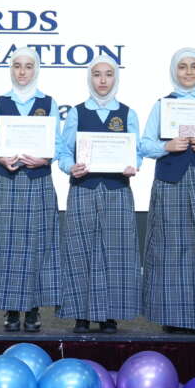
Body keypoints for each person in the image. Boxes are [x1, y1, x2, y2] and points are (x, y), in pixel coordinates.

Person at [139, 48, 195, 334]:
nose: (188, 72)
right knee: (170, 250)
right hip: (171, 183)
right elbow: (144, 144)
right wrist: (166, 146)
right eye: (182, 67)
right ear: (173, 71)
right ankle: (171, 315)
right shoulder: (162, 105)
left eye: (194, 66)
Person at [57, 55, 142, 334]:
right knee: (79, 252)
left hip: (118, 190)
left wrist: (134, 165)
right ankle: (80, 315)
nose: (103, 80)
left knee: (116, 254)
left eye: (108, 74)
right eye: (97, 74)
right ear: (89, 78)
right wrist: (70, 166)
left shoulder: (127, 113)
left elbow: (137, 151)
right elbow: (63, 150)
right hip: (83, 188)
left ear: (116, 77)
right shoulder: (77, 113)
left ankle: (109, 316)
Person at [0, 47, 61, 332]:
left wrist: (46, 158)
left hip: (38, 181)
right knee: (8, 246)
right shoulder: (0, 102)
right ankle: (11, 309)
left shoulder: (48, 102)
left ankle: (33, 308)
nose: (22, 71)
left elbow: (57, 143)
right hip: (8, 180)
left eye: (28, 66)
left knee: (37, 244)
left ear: (36, 70)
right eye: (17, 66)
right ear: (11, 69)